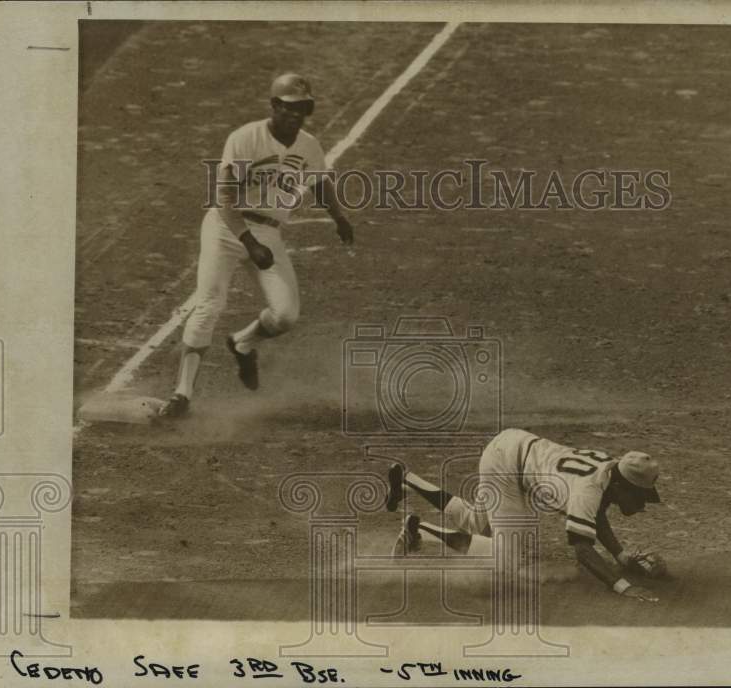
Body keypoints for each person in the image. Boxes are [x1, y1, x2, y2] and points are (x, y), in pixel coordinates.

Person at [160, 73, 354, 418]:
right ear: (275, 106)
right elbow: (224, 197)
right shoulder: (245, 139)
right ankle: (182, 395)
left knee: (285, 315)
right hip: (226, 228)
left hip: (269, 231)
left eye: (303, 108)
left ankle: (242, 343)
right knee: (209, 304)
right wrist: (248, 241)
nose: (296, 115)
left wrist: (339, 219)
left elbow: (320, 182)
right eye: (290, 107)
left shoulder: (308, 145)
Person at [386, 428, 666, 602]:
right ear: (620, 484)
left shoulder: (608, 469)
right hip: (507, 466)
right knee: (506, 558)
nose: (641, 504)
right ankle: (419, 531)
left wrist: (621, 557)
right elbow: (582, 548)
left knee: (476, 523)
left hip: (512, 446)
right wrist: (622, 586)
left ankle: (406, 478)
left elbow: (597, 518)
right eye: (639, 495)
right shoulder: (588, 490)